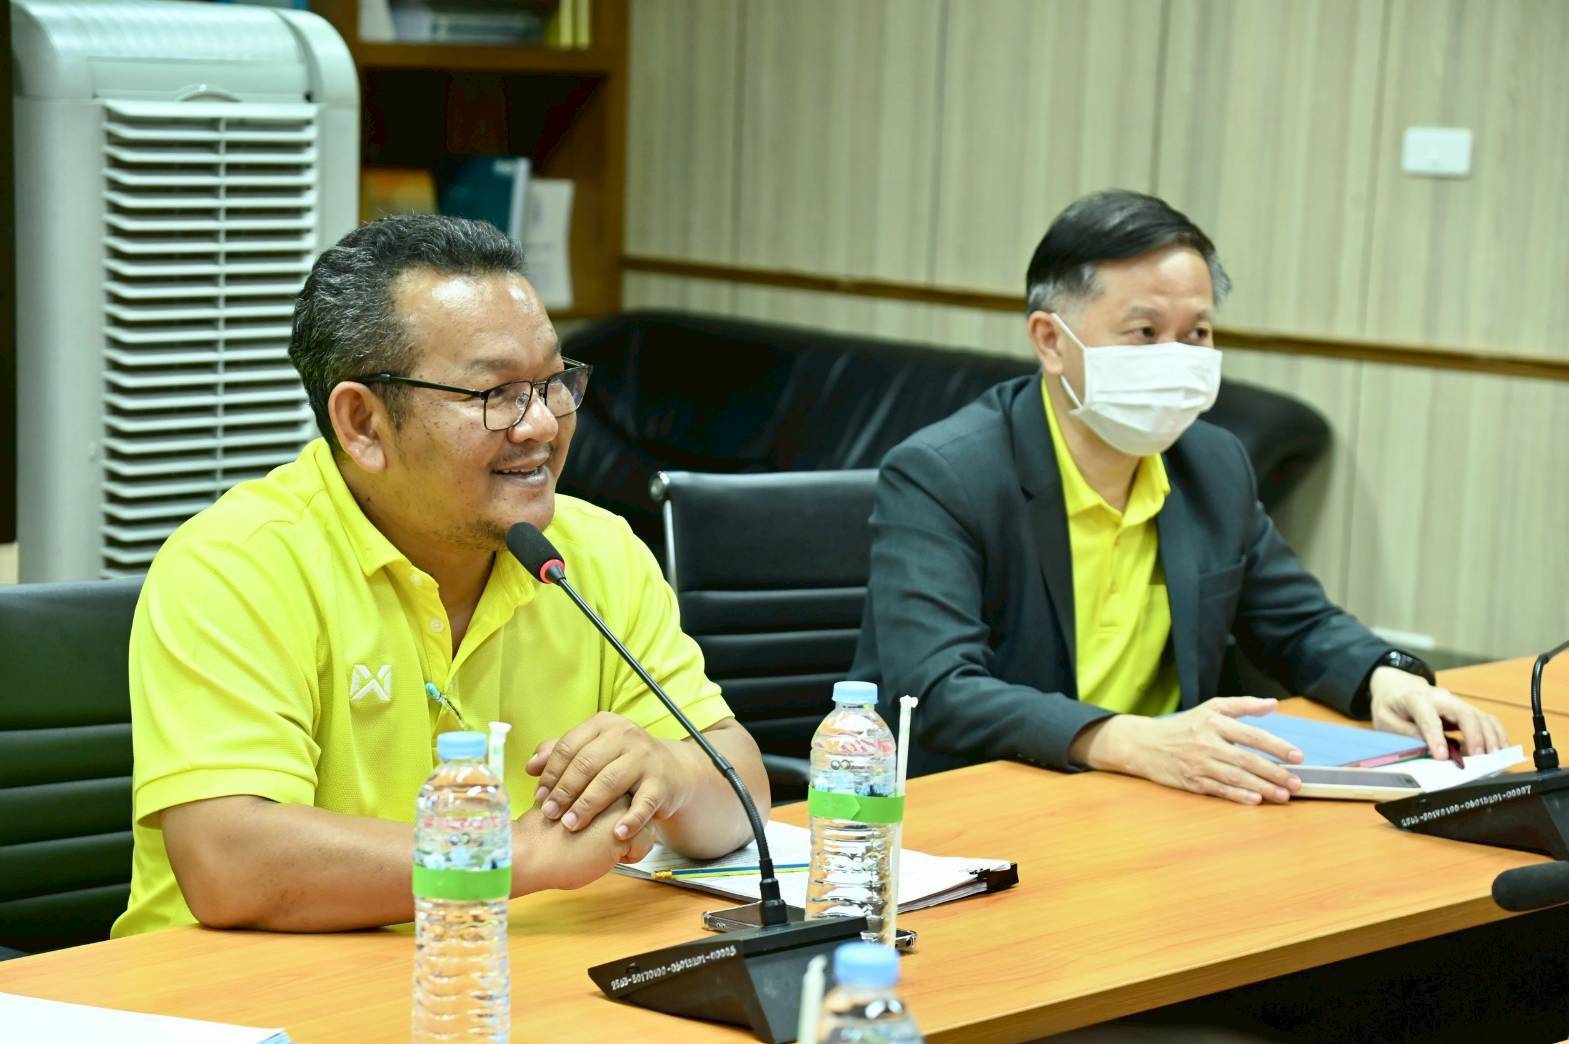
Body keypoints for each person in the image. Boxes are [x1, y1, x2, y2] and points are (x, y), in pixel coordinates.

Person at [112, 215, 767, 937]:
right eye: (496, 393)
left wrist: (670, 775)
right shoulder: (237, 565)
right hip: (251, 989)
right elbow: (229, 862)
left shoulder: (594, 551)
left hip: (505, 973)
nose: (543, 425)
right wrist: (513, 855)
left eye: (553, 382)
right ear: (363, 424)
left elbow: (741, 788)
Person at [850, 189, 1508, 803]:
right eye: (1144, 332)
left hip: (1166, 797)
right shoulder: (943, 475)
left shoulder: (1211, 463)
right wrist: (1127, 741)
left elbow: (1297, 624)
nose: (1176, 357)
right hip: (995, 802)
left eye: (1196, 333)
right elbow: (935, 688)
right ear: (1050, 341)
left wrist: (1383, 678)